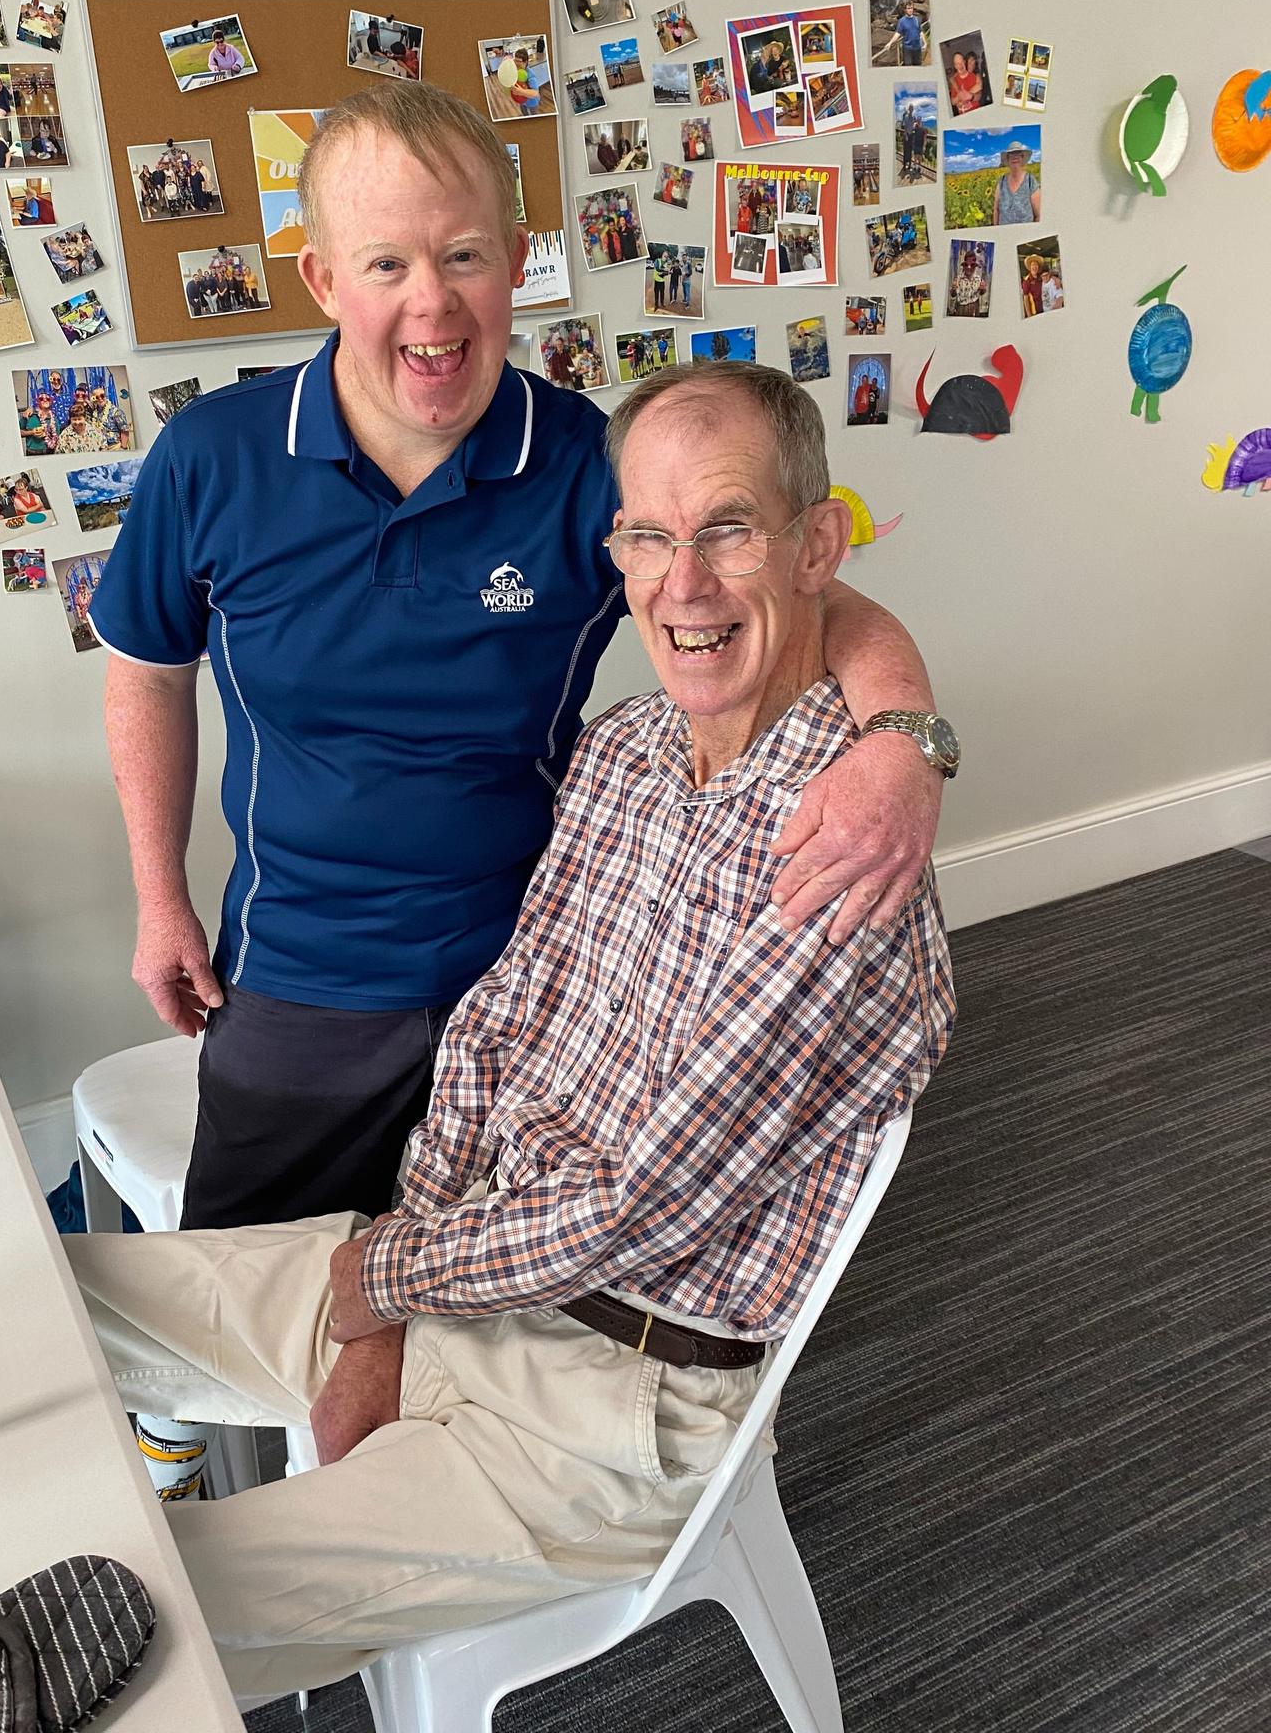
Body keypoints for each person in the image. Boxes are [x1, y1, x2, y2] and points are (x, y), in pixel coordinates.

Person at [65, 361, 955, 1704]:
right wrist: (387, 1309)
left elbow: (635, 1202)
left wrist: (382, 1283)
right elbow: (494, 1040)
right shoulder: (625, 754)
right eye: (647, 538)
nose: (683, 584)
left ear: (817, 546)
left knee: (117, 1630)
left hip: (610, 1409)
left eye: (728, 530)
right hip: (464, 1279)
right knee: (44, 1304)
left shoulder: (843, 852)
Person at [88, 81, 953, 1254]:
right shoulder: (212, 457)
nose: (433, 303)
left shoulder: (589, 462)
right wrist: (158, 899)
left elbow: (805, 587)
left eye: (465, 255)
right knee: (240, 1296)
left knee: (514, 1285)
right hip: (301, 973)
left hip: (540, 968)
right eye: (386, 264)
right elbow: (147, 673)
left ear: (517, 261)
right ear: (324, 279)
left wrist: (905, 747)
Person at [992, 141, 1041, 225]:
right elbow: (996, 210)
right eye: (1011, 154)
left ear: (1022, 158)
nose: (1015, 157)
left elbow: (1038, 215)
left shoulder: (1030, 180)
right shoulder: (1001, 181)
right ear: (1007, 159)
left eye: (1018, 154)